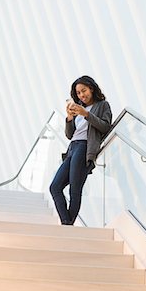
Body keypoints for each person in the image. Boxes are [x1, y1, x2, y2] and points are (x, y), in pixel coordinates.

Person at [50, 75, 112, 225]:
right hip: (72, 148)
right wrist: (69, 118)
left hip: (84, 147)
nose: (81, 95)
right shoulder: (78, 108)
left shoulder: (102, 105)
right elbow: (69, 134)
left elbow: (105, 126)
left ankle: (66, 225)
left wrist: (86, 114)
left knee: (74, 189)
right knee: (55, 187)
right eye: (78, 93)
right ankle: (67, 223)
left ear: (91, 88)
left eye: (83, 90)